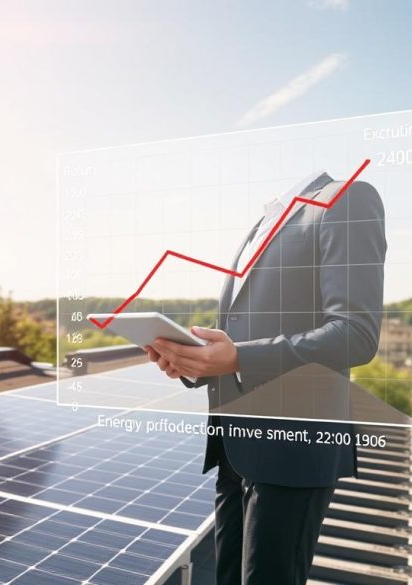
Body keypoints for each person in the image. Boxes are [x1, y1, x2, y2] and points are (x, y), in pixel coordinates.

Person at [144, 170, 386, 585]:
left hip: (293, 450)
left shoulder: (347, 198)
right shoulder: (262, 223)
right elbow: (243, 334)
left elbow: (355, 335)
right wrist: (195, 362)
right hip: (234, 445)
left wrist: (237, 357)